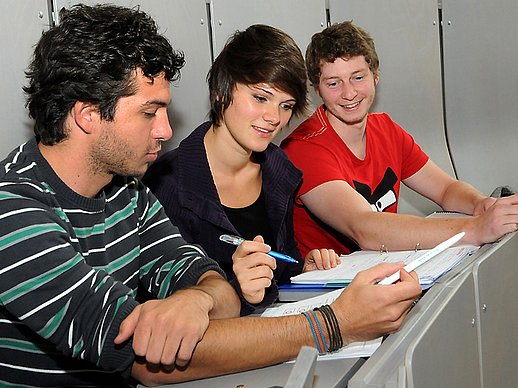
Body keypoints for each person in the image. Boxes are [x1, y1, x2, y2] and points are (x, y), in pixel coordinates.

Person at [0, 6, 421, 386]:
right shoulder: (13, 212)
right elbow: (145, 358)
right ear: (88, 115)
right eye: (150, 112)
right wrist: (337, 324)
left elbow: (212, 283)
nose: (166, 131)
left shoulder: (126, 193)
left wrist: (197, 296)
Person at [143, 24, 340, 316]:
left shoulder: (278, 167)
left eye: (286, 105)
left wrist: (300, 270)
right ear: (223, 90)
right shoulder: (167, 183)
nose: (274, 117)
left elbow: (276, 269)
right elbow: (162, 308)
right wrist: (238, 291)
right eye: (260, 98)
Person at [281, 21, 518, 257]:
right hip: (331, 287)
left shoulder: (385, 129)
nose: (349, 93)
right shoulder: (303, 148)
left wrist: (480, 204)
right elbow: (364, 227)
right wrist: (475, 229)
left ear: (375, 76)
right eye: (334, 83)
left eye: (358, 77)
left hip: (382, 269)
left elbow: (446, 189)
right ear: (317, 89)